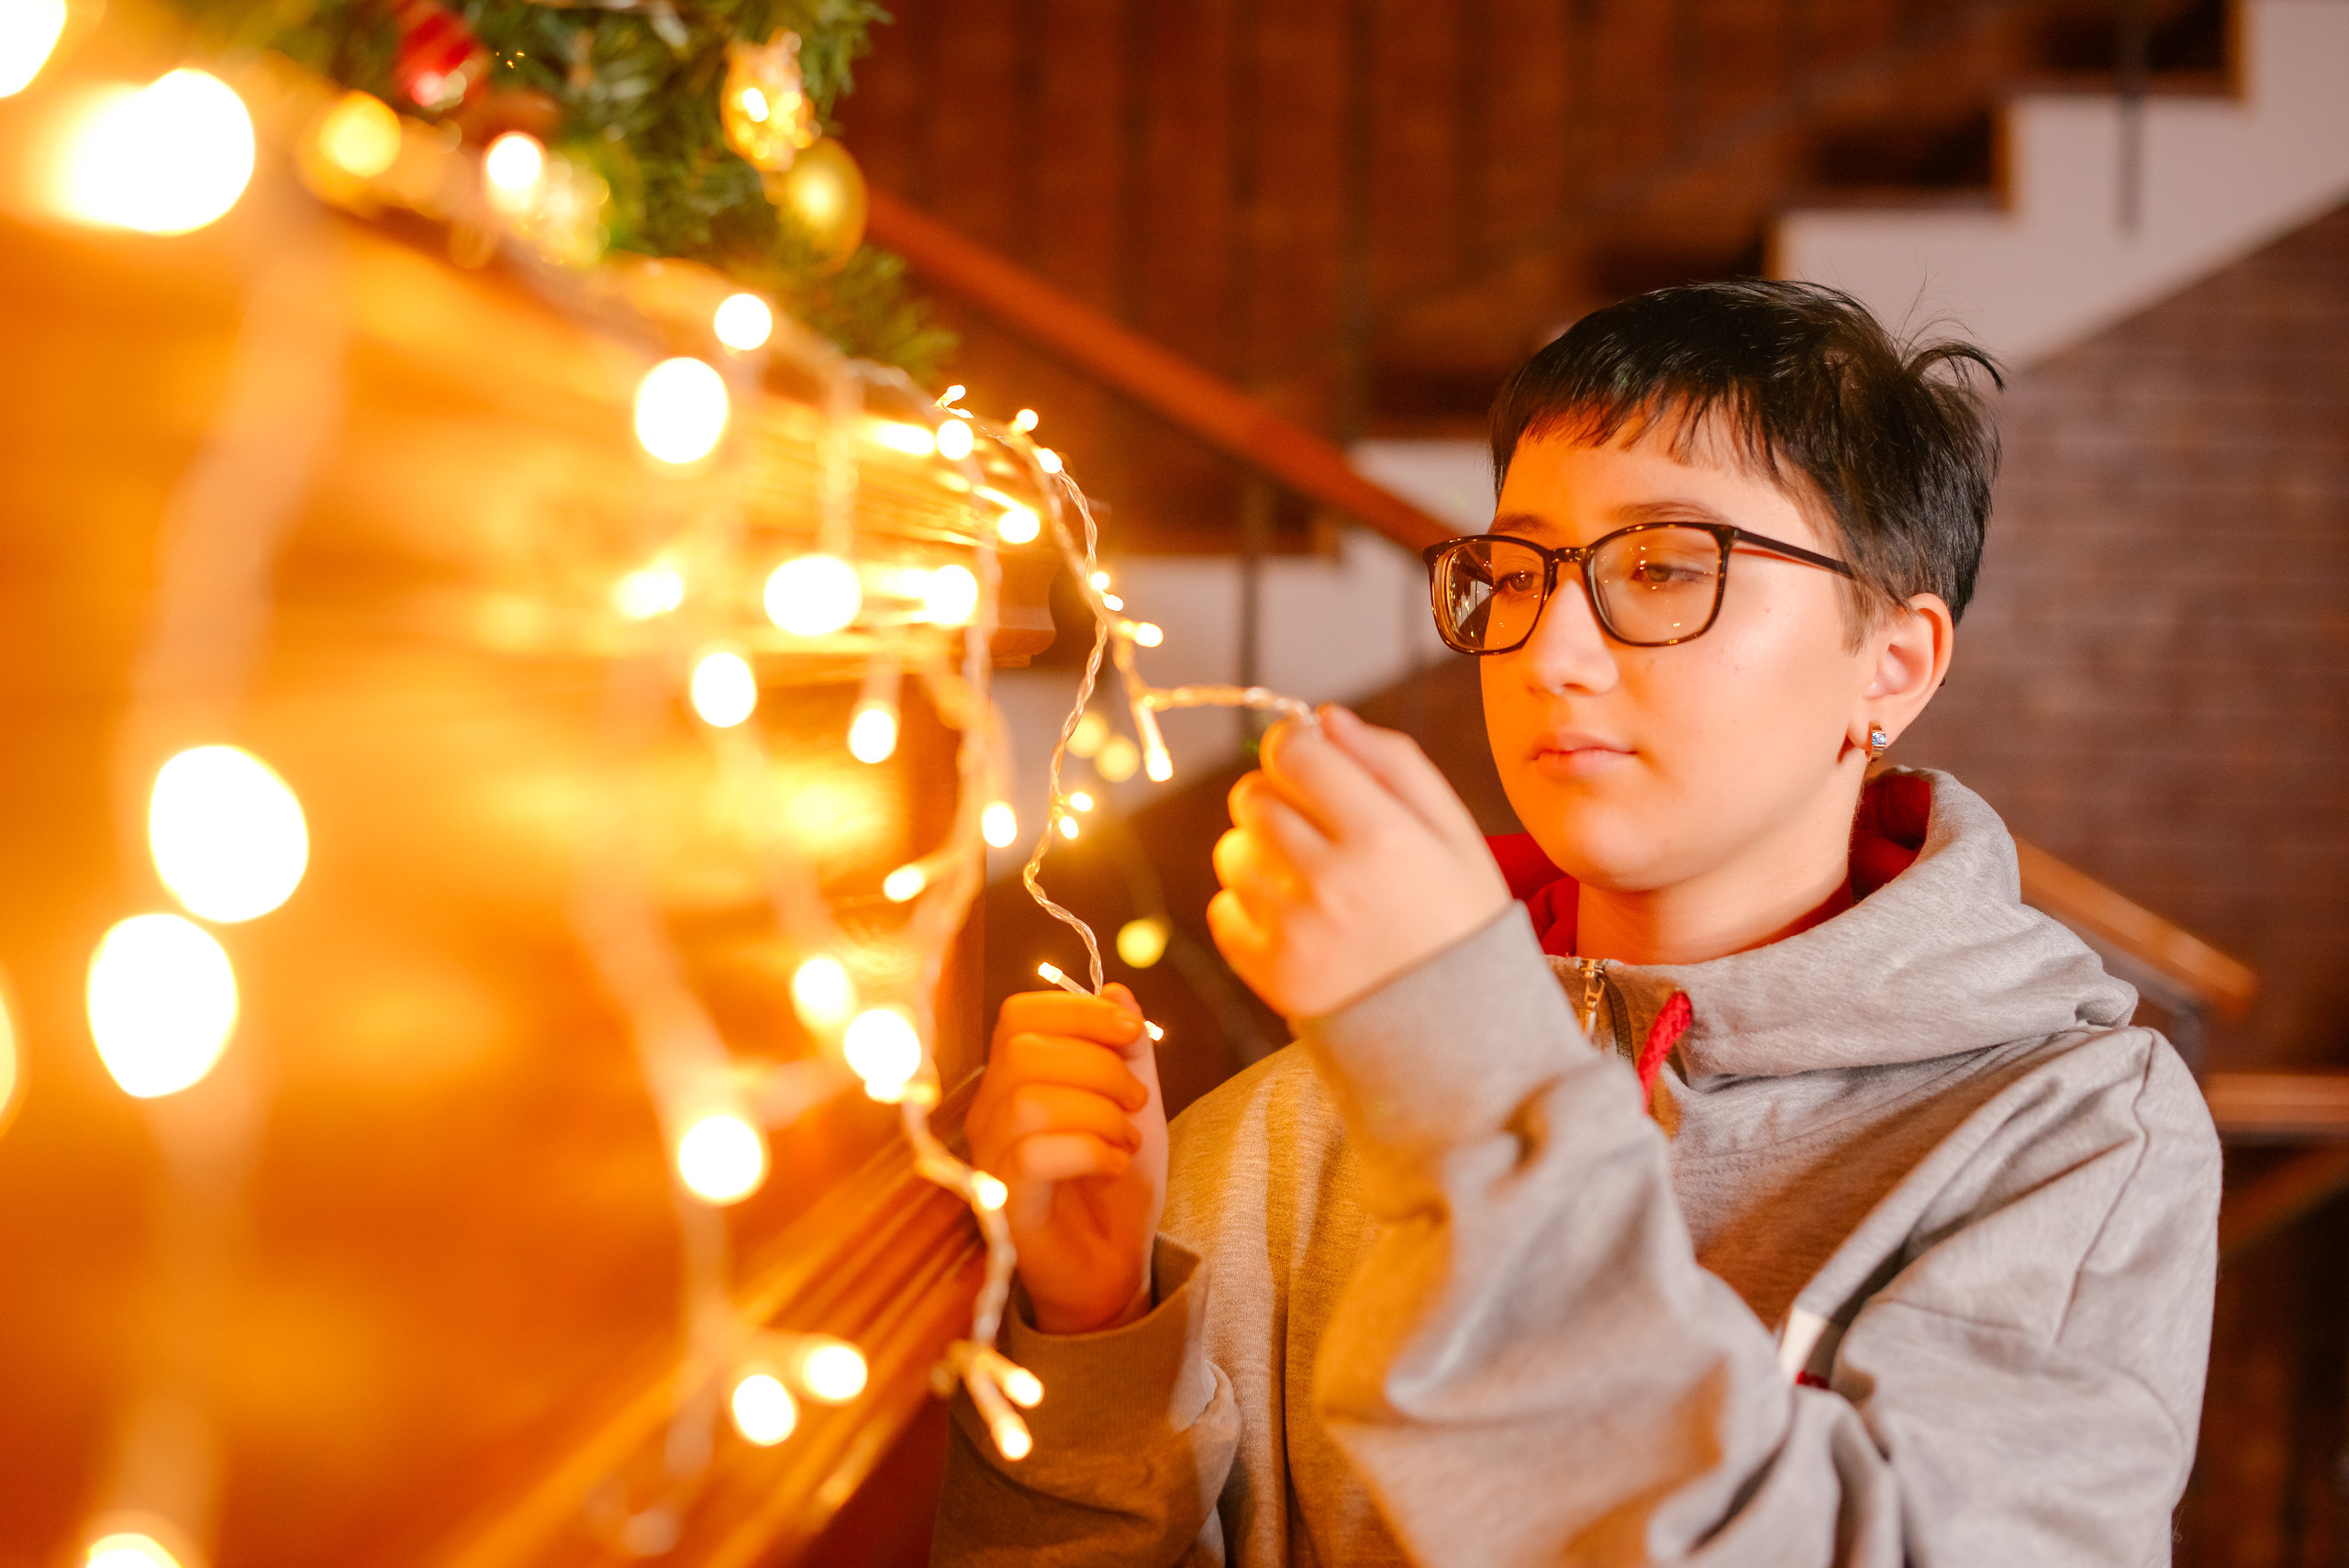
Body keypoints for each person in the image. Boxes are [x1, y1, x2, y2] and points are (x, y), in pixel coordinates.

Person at [934, 281, 2220, 1566]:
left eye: (1663, 566)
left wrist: (1471, 1077)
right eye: (1516, 570)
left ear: (1892, 662)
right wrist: (1099, 1327)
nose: (1548, 651)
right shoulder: (1297, 1124)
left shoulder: (2071, 1132)